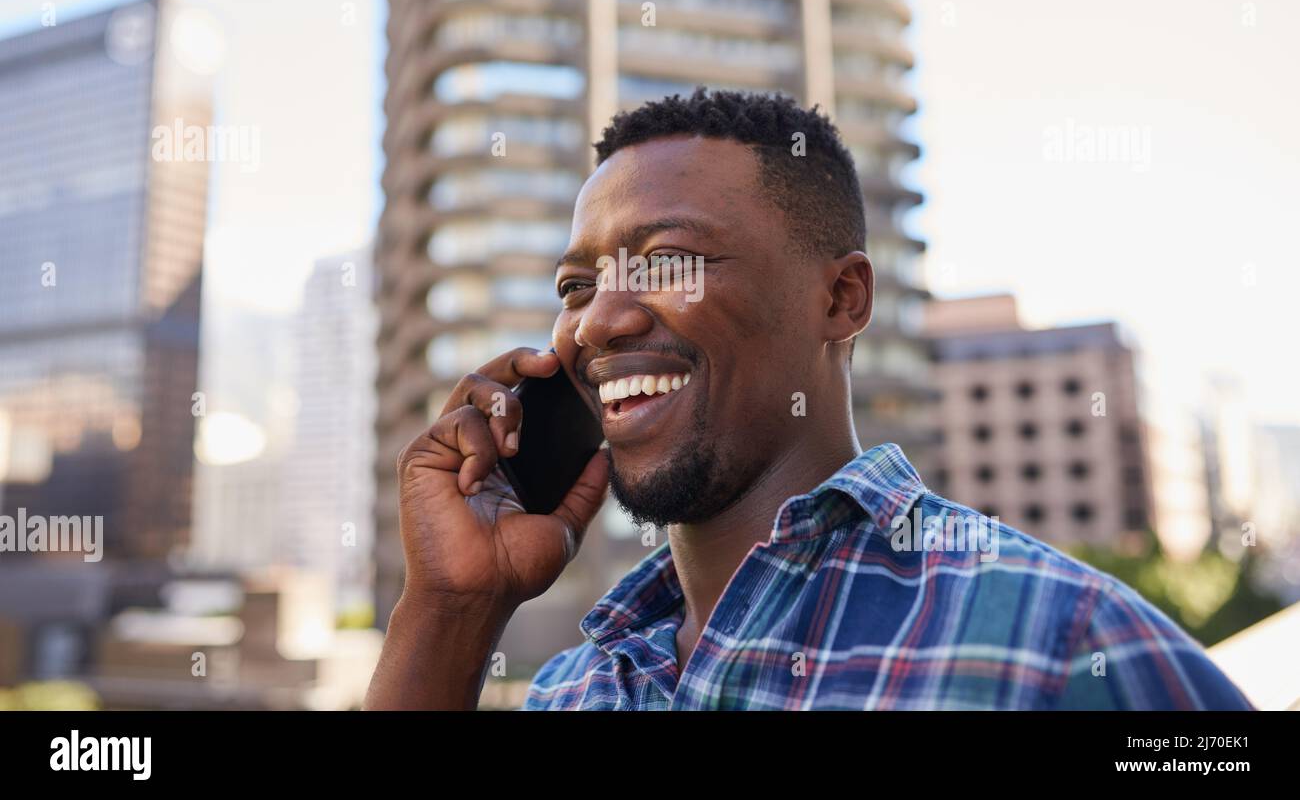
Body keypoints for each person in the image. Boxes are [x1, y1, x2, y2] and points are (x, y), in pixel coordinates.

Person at [364, 87, 1253, 710]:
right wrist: (450, 608)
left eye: (667, 261)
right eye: (574, 287)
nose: (596, 322)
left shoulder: (1057, 643)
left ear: (842, 300)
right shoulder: (577, 690)